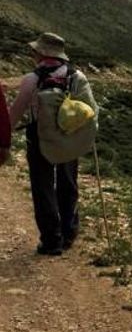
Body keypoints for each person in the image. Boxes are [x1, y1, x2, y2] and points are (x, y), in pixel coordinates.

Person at [9, 33, 90, 256]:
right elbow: (88, 110)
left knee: (42, 185)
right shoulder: (77, 76)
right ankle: (69, 233)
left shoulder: (31, 79)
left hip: (39, 136)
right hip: (68, 135)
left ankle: (51, 240)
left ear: (40, 53)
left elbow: (16, 112)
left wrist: (5, 136)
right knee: (68, 182)